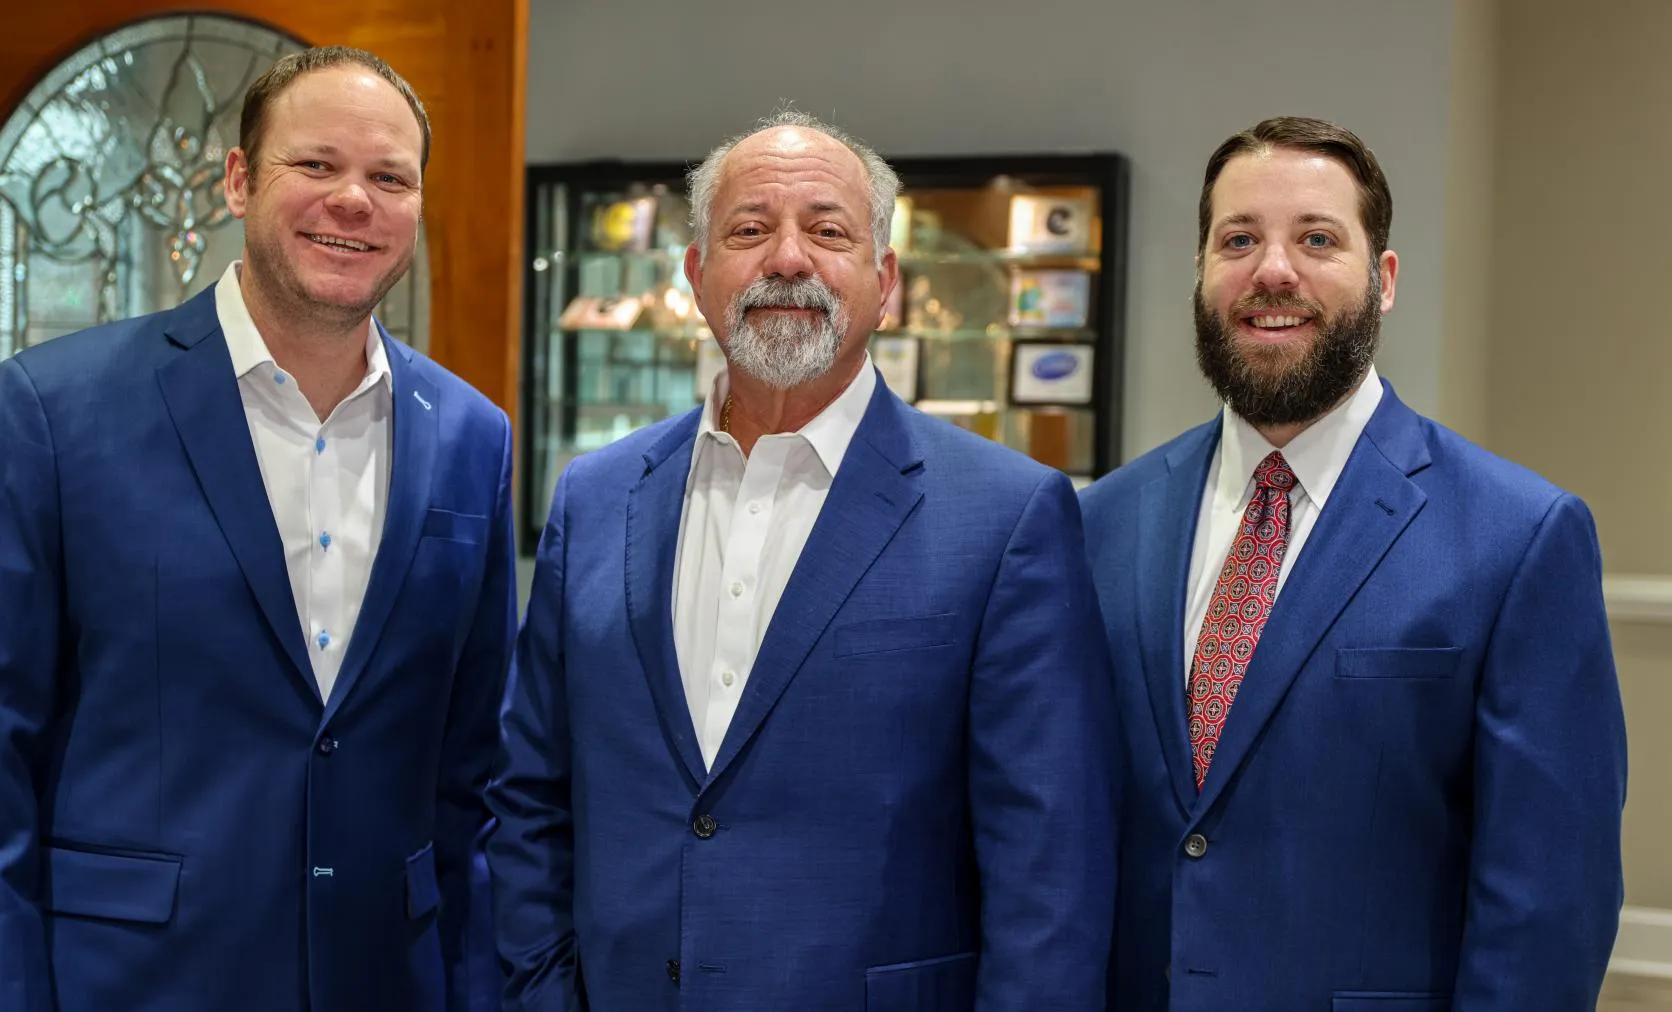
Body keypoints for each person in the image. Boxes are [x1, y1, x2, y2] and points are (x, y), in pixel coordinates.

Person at [0, 46, 513, 1012]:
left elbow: (473, 776)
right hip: (134, 983)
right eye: (315, 164)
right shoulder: (57, 410)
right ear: (239, 180)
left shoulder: (474, 437)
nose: (353, 200)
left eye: (390, 177)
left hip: (387, 981)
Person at [485, 108, 1120, 1011]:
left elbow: (1048, 867)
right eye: (749, 231)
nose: (788, 259)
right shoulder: (596, 498)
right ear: (697, 275)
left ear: (884, 280)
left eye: (828, 232)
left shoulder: (1007, 516)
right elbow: (530, 800)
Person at [1079, 115, 1627, 1011]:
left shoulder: (1519, 536)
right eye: (1238, 240)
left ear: (1385, 279)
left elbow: (1548, 901)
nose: (1273, 271)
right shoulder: (1102, 521)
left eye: (1318, 239)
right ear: (1201, 274)